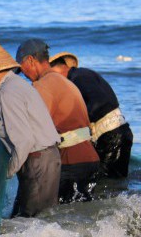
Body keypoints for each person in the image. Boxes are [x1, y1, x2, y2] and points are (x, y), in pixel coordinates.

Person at [0, 37, 61, 217]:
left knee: (31, 224)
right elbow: (14, 136)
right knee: (31, 221)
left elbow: (24, 141)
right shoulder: (14, 85)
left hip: (38, 162)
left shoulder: (7, 93)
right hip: (43, 160)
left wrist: (5, 173)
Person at [16, 39, 101, 203]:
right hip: (90, 159)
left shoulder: (42, 86)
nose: (24, 75)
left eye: (22, 68)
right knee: (81, 218)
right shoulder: (65, 81)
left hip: (72, 162)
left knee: (57, 218)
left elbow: (33, 128)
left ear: (31, 61)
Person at [49, 52, 133, 178]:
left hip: (111, 136)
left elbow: (98, 103)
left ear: (58, 70)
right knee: (116, 182)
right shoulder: (84, 74)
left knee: (105, 183)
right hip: (119, 132)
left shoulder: (78, 79)